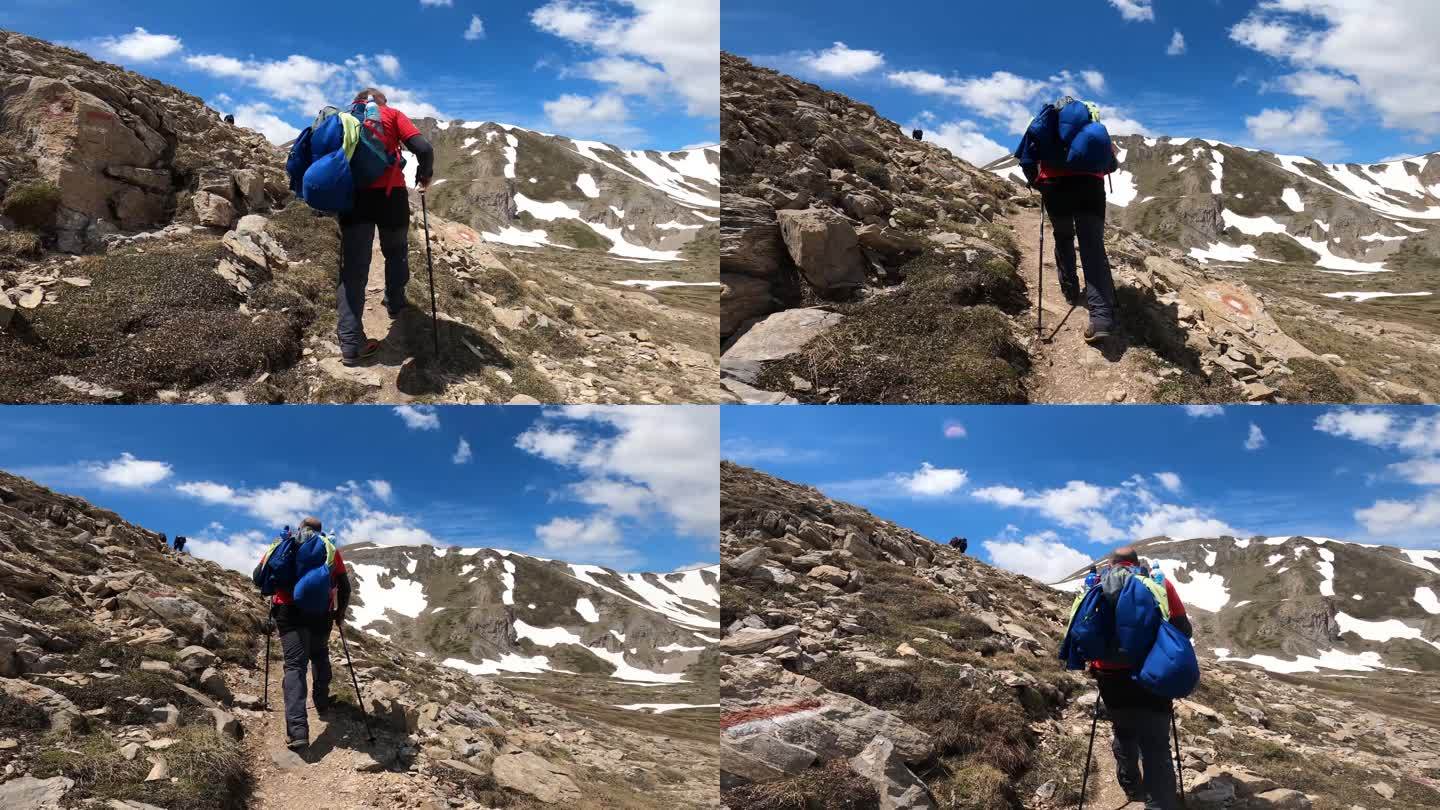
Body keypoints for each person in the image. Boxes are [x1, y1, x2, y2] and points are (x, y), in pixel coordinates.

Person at [337, 88, 435, 366]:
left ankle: (350, 344)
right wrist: (424, 175)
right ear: (381, 102)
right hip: (391, 198)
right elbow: (425, 149)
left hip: (354, 199)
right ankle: (394, 302)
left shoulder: (344, 119)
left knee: (354, 269)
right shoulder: (391, 115)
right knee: (396, 252)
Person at [1090, 546, 1191, 809]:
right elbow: (1183, 628)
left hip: (1109, 676)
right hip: (1152, 673)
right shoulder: (1158, 582)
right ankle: (1159, 804)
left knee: (1123, 732)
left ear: (1111, 563)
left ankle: (1132, 787)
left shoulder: (1097, 584)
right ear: (1137, 562)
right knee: (1156, 745)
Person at [1014, 96, 1121, 343]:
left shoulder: (1046, 127)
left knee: (1063, 236)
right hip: (1090, 189)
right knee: (1092, 247)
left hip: (1055, 187)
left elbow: (1027, 159)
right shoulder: (1091, 129)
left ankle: (1070, 289)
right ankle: (1101, 317)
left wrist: (1039, 184)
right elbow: (1111, 166)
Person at [252, 516, 351, 750]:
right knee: (319, 654)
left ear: (300, 528)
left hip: (287, 612)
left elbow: (258, 576)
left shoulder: (283, 543)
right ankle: (321, 702)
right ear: (321, 530)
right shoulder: (329, 548)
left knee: (295, 666)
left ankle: (298, 732)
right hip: (320, 613)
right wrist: (340, 614)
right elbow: (344, 586)